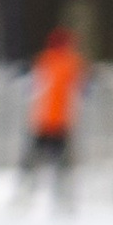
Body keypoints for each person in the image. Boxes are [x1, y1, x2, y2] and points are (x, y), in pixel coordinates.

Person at [15, 26, 88, 212]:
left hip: (45, 120)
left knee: (35, 160)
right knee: (59, 163)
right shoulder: (70, 62)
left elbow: (30, 87)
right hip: (58, 121)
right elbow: (83, 89)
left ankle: (27, 193)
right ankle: (61, 197)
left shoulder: (45, 60)